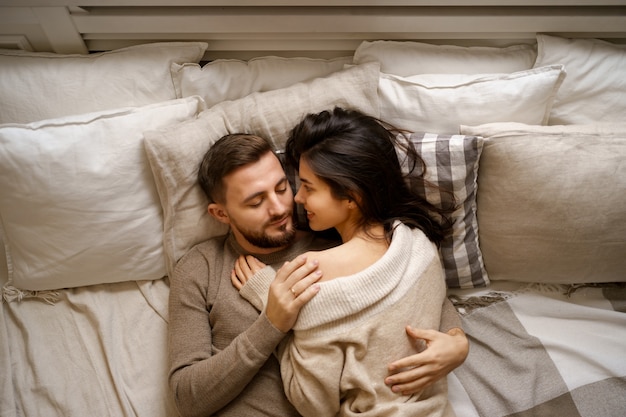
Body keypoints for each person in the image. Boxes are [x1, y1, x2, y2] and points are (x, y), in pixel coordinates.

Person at [167, 128, 469, 417]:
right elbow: (187, 399)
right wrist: (271, 324)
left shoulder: (335, 245)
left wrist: (456, 341)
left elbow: (413, 287)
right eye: (256, 202)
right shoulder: (200, 267)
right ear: (221, 213)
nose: (279, 208)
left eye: (283, 187)